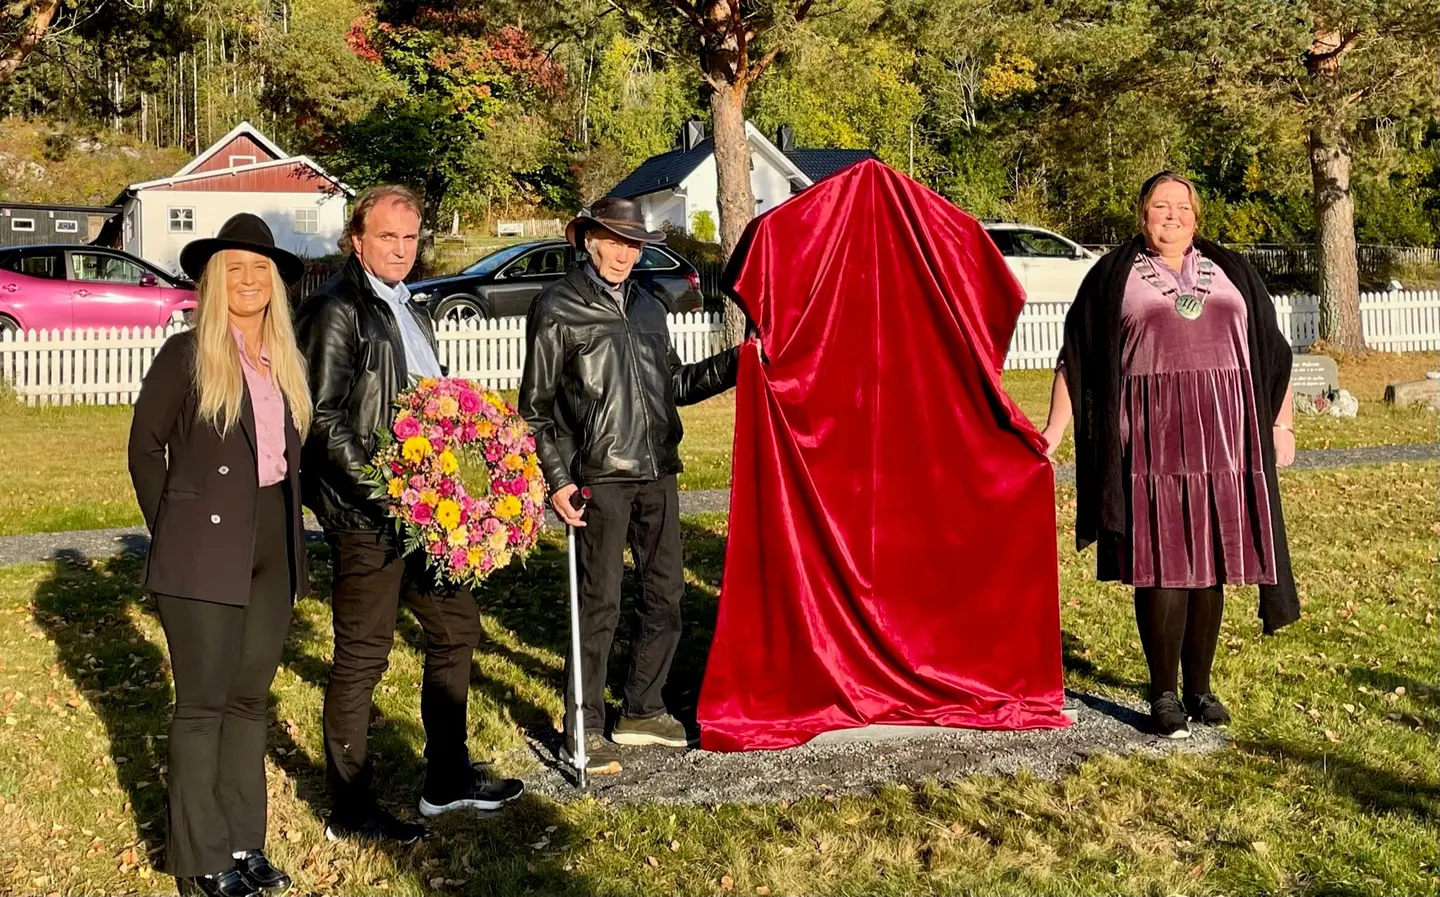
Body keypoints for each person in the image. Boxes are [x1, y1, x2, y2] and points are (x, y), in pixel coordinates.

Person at [295, 185, 523, 844]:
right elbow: (322, 418)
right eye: (387, 237)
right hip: (369, 514)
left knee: (456, 629)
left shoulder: (413, 309)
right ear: (357, 240)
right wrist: (386, 490)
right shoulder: (336, 311)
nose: (400, 249)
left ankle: (446, 778)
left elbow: (437, 407)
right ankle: (349, 804)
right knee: (363, 657)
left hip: (433, 515)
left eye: (410, 238)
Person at [1040, 171, 1299, 739]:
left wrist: (1281, 423)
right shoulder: (1113, 276)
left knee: (1210, 565)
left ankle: (1200, 689)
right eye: (1160, 206)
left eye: (1182, 207)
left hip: (1227, 438)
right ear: (1142, 214)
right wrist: (1055, 432)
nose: (1172, 215)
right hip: (1150, 440)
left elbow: (1274, 353)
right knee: (1161, 562)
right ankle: (1162, 695)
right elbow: (1076, 360)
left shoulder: (1232, 271)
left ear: (1197, 216)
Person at [519, 197, 740, 776]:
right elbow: (537, 410)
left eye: (633, 244)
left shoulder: (649, 305)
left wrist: (743, 361)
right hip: (597, 478)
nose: (623, 254)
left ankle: (643, 708)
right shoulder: (557, 306)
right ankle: (585, 721)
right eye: (613, 242)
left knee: (666, 596)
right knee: (600, 602)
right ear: (588, 240)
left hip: (658, 471)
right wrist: (560, 479)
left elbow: (674, 384)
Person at [128, 213, 312, 897]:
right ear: (212, 279)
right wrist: (172, 528)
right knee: (202, 704)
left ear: (275, 284)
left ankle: (242, 841)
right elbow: (143, 449)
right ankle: (200, 858)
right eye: (234, 266)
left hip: (272, 544)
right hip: (202, 544)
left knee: (248, 701)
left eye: (259, 267)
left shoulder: (283, 361)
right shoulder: (185, 355)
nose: (248, 278)